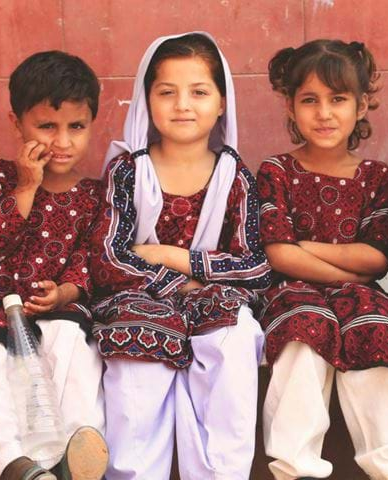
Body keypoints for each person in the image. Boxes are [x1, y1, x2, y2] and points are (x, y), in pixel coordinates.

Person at [89, 32, 270, 480]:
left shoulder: (235, 176)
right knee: (136, 363)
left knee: (234, 342)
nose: (182, 105)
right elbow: (110, 257)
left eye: (199, 92)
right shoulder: (129, 171)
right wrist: (180, 283)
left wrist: (171, 256)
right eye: (166, 92)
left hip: (214, 301)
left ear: (222, 102)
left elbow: (256, 265)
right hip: (139, 300)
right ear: (145, 100)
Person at [0, 51, 107, 480]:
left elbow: (90, 259)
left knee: (74, 349)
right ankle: (12, 466)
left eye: (76, 127)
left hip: (56, 307)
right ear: (18, 124)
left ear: (91, 124)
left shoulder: (93, 195)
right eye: (47, 126)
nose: (62, 141)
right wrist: (28, 185)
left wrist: (65, 293)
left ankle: (73, 458)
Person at [258, 39, 388, 480]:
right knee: (304, 332)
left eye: (338, 99)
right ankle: (295, 466)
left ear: (362, 106)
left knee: (378, 331)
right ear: (290, 106)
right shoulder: (276, 171)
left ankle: (387, 465)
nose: (324, 113)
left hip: (362, 294)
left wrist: (303, 246)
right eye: (310, 100)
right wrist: (344, 271)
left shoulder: (377, 177)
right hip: (291, 291)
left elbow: (376, 258)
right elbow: (277, 255)